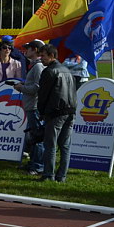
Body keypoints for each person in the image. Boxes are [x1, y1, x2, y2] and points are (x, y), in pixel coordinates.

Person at [37, 44, 77, 183]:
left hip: (55, 111)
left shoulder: (49, 71)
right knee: (65, 146)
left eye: (43, 56)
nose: (41, 59)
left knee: (50, 145)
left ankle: (48, 174)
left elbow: (43, 94)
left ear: (52, 56)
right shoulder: (67, 70)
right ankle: (62, 176)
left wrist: (41, 111)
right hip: (70, 110)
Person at [14, 40, 45, 176]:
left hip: (34, 106)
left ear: (35, 50)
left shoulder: (38, 67)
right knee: (33, 136)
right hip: (32, 105)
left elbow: (37, 88)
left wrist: (22, 87)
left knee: (37, 137)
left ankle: (38, 165)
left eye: (29, 48)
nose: (26, 51)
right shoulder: (35, 65)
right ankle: (33, 163)